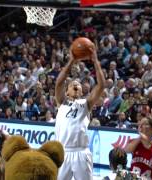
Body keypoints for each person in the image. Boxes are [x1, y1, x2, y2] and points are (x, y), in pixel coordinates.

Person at [54, 47, 105, 180]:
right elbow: (59, 82)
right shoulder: (61, 102)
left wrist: (95, 61)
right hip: (63, 152)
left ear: (82, 92)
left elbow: (101, 85)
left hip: (81, 153)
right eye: (72, 85)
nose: (76, 85)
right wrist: (71, 60)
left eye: (79, 85)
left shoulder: (86, 104)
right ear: (67, 92)